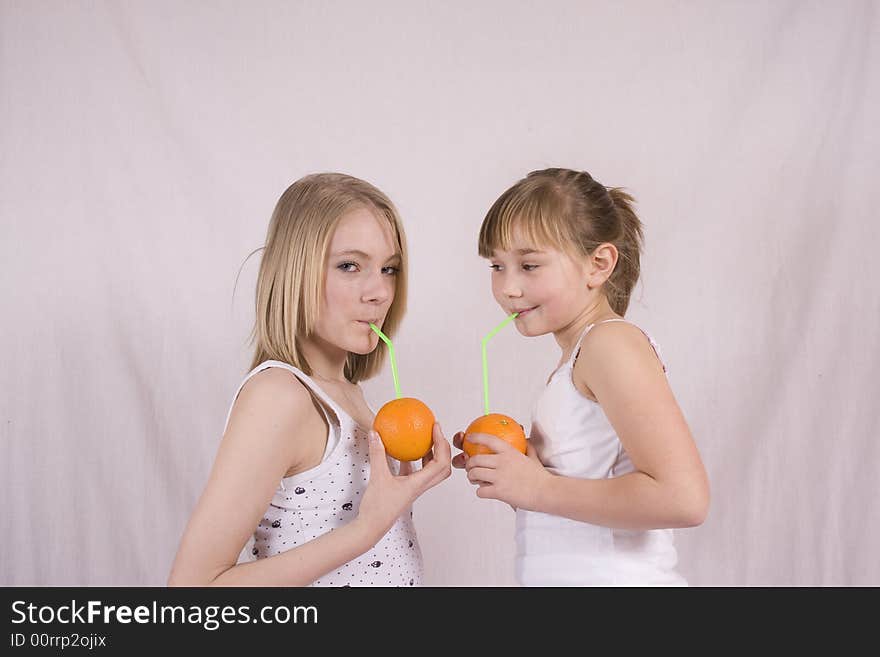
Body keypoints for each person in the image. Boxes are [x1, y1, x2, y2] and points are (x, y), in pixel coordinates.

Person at [168, 173, 451, 586]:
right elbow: (192, 589)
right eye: (350, 266)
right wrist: (364, 530)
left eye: (389, 268)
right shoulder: (280, 396)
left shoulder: (349, 397)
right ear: (295, 271)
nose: (379, 292)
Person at [453, 167, 709, 586]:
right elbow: (582, 505)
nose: (508, 288)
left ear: (598, 265)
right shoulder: (579, 358)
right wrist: (519, 477)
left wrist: (538, 489)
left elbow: (684, 498)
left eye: (529, 265)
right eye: (497, 266)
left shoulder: (609, 344)